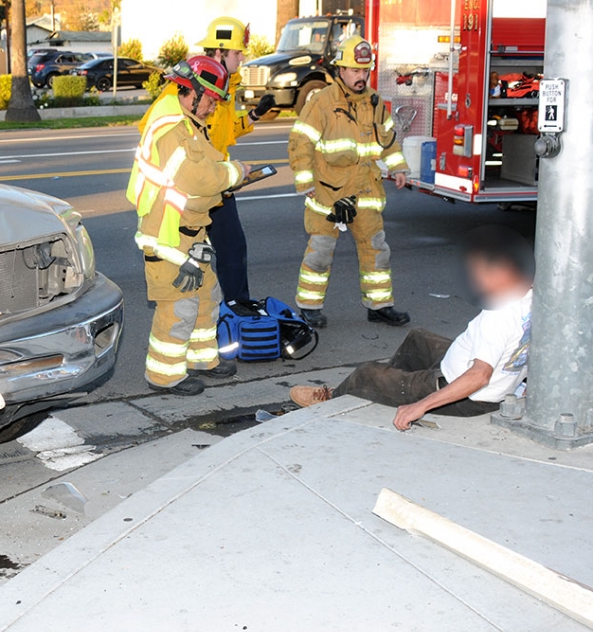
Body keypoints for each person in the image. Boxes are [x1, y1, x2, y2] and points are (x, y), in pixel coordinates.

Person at [289, 226, 534, 430]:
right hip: (480, 379)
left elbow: (479, 376)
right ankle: (390, 390)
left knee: (366, 374)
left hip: (464, 395)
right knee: (418, 338)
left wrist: (421, 406)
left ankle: (336, 397)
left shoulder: (497, 315)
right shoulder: (536, 298)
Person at [128, 57, 250, 396]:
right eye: (211, 98)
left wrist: (230, 173)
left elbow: (209, 161)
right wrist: (235, 173)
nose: (213, 107)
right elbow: (197, 177)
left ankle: (201, 360)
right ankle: (163, 376)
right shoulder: (171, 128)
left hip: (191, 233)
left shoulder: (189, 123)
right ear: (191, 91)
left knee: (206, 296)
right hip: (168, 237)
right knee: (177, 307)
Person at [140, 17, 277, 304]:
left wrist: (252, 117)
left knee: (232, 248)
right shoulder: (188, 88)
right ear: (218, 52)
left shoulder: (221, 85)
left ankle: (235, 309)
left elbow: (221, 132)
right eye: (238, 53)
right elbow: (161, 135)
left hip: (216, 182)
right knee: (190, 257)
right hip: (190, 191)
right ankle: (200, 310)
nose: (242, 58)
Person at [288, 35, 411, 329]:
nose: (361, 76)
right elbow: (300, 141)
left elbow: (389, 139)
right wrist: (305, 181)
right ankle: (309, 306)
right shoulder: (322, 102)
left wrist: (399, 167)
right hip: (328, 194)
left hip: (365, 192)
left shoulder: (374, 102)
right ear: (341, 70)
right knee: (319, 252)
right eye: (356, 70)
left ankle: (380, 306)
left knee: (376, 251)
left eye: (365, 71)